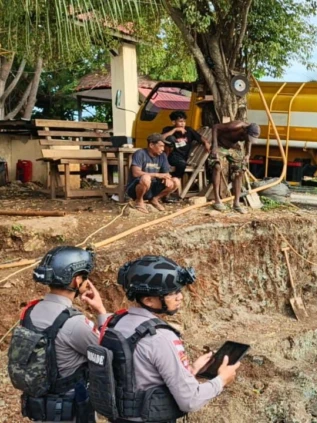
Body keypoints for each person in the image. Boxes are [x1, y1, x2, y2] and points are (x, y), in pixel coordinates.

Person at [87, 256, 240, 422]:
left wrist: (192, 370)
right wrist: (221, 380)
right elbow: (190, 401)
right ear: (149, 300)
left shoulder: (114, 322)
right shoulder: (160, 337)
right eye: (172, 293)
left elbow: (135, 373)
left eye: (179, 290)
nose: (180, 297)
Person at [7, 246, 109, 422]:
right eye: (85, 277)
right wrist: (101, 311)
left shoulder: (30, 311)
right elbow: (107, 352)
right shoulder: (74, 323)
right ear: (77, 280)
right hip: (70, 412)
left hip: (41, 409)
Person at [209, 121, 260, 213]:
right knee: (217, 166)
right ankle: (217, 200)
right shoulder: (235, 126)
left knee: (239, 171)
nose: (248, 139)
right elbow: (215, 126)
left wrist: (248, 154)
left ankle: (236, 203)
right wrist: (214, 146)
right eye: (248, 136)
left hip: (233, 147)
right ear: (245, 131)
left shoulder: (248, 134)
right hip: (220, 145)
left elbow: (249, 141)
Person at [161, 111, 211, 200]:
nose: (183, 124)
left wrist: (206, 143)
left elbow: (200, 137)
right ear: (173, 122)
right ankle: (171, 186)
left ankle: (173, 183)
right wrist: (174, 130)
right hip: (169, 156)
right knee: (171, 139)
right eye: (180, 121)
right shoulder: (168, 129)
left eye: (184, 121)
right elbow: (161, 138)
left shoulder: (189, 130)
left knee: (181, 164)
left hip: (182, 158)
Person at [127, 133, 180, 214]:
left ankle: (155, 199)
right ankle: (139, 201)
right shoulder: (140, 153)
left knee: (176, 181)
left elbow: (166, 173)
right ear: (151, 145)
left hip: (153, 187)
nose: (163, 149)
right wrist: (157, 175)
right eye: (161, 146)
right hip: (136, 188)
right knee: (146, 177)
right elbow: (136, 173)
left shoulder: (163, 156)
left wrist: (167, 178)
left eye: (164, 146)